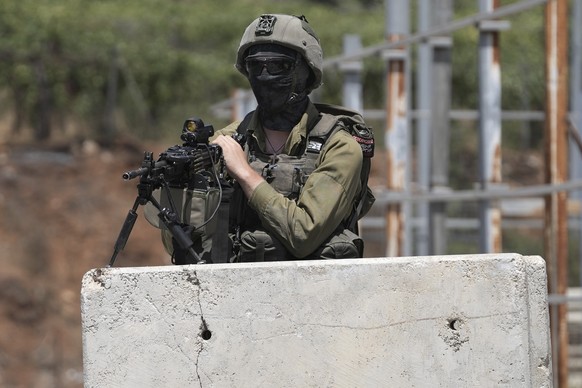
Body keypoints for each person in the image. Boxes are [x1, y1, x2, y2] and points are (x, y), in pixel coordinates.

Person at [160, 13, 373, 263]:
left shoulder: (339, 147)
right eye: (255, 66)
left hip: (314, 293)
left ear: (307, 71)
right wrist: (180, 187)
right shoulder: (227, 140)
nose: (264, 75)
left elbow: (304, 234)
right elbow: (185, 243)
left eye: (278, 66)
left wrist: (244, 173)